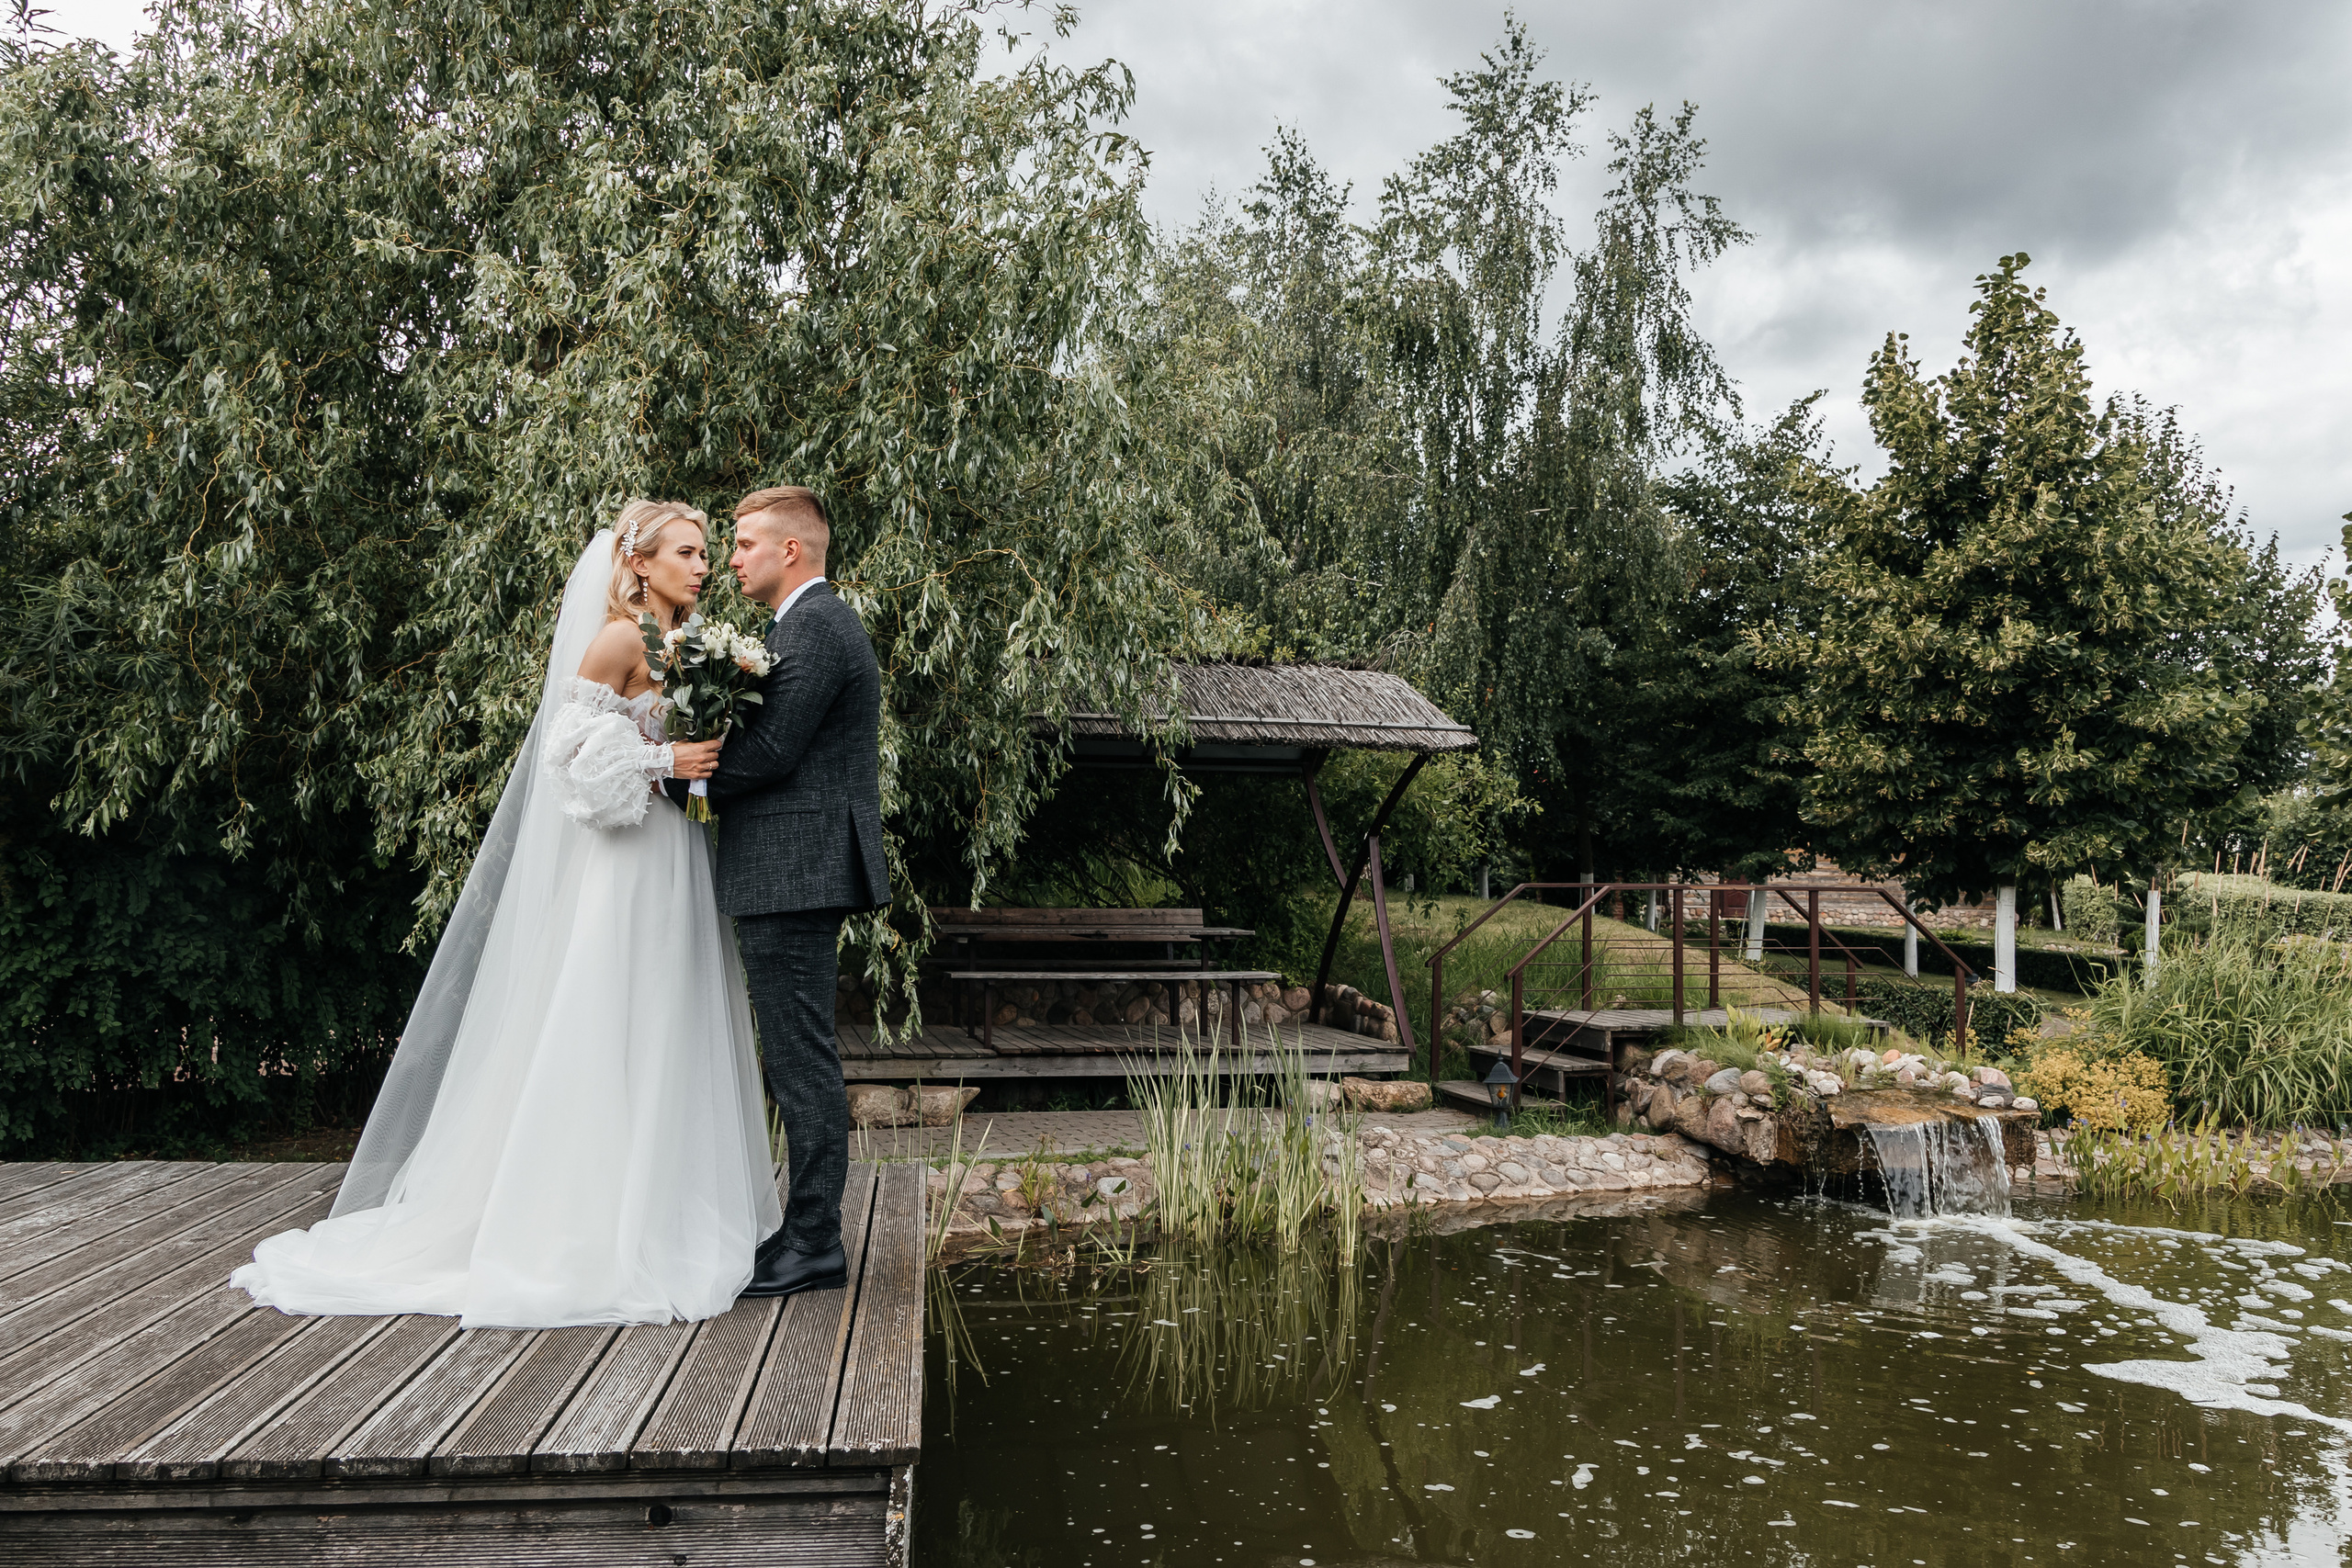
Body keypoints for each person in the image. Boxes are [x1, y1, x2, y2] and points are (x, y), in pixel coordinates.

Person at [228, 502, 781, 1328]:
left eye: (706, 554)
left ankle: (669, 1204)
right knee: (609, 1017)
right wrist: (670, 756)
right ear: (638, 564)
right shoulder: (619, 640)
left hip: (678, 858)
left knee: (673, 1015)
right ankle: (586, 1219)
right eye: (688, 552)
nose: (703, 567)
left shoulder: (689, 648)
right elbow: (568, 763)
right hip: (625, 865)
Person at [709, 484, 891, 1300]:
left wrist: (673, 778)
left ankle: (815, 1239)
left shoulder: (817, 624)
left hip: (796, 869)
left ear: (792, 550)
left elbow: (773, 749)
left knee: (799, 1055)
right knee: (794, 1050)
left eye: (745, 542)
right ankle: (803, 1229)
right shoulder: (800, 624)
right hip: (793, 867)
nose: (733, 556)